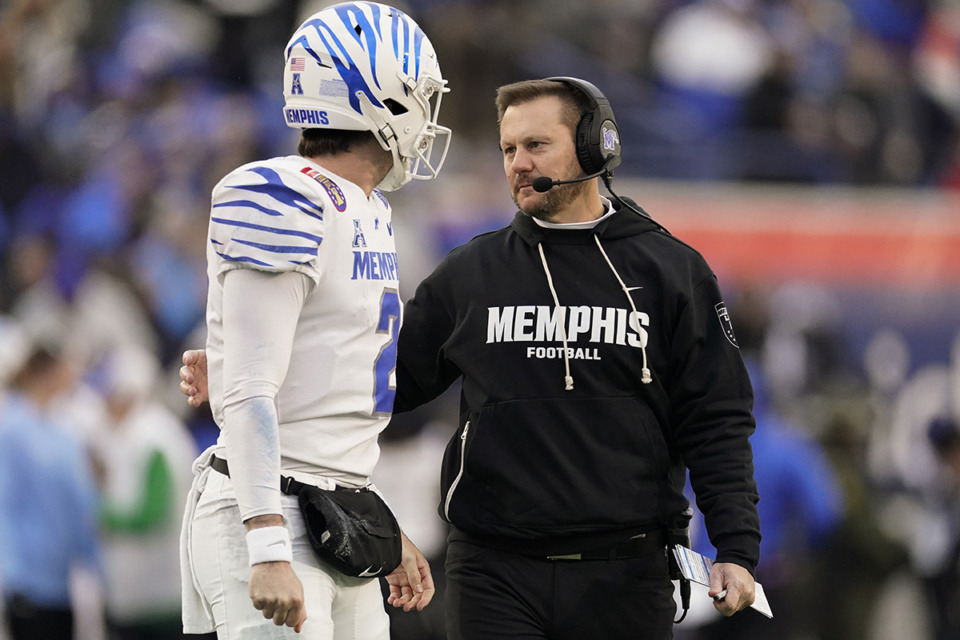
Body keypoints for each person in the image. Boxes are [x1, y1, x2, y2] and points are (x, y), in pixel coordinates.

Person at [181, 76, 761, 640]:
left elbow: (716, 420)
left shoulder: (672, 272)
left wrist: (735, 547)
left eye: (536, 145)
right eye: (509, 148)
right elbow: (384, 381)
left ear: (594, 146)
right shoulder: (473, 272)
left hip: (628, 569)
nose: (518, 163)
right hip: (494, 569)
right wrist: (261, 362)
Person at [178, 2, 451, 638]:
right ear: (378, 96)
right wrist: (269, 550)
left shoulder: (369, 210)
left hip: (334, 510)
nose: (426, 115)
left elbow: (327, 387)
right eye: (419, 95)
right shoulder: (282, 195)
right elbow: (248, 390)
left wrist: (375, 516)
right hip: (271, 515)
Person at [0, 341, 103, 640]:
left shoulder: (62, 429)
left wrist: (95, 562)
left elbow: (79, 503)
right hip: (29, 582)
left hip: (64, 579)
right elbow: (6, 502)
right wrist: (13, 573)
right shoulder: (13, 429)